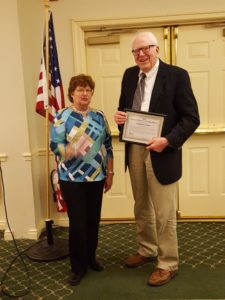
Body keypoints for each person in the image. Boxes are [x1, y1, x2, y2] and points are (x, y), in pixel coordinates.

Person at [114, 32, 200, 286]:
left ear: (157, 49)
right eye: (136, 51)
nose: (141, 54)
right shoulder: (130, 75)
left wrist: (167, 141)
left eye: (146, 49)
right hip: (135, 149)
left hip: (162, 151)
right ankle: (147, 249)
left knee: (164, 212)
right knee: (141, 205)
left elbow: (191, 118)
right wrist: (121, 120)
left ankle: (168, 263)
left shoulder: (177, 75)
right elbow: (124, 109)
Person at [50, 74, 114, 286]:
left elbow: (108, 145)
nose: (85, 93)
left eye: (88, 90)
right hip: (71, 179)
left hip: (96, 177)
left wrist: (110, 173)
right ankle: (77, 268)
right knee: (78, 223)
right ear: (71, 93)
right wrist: (68, 150)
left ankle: (90, 258)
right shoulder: (62, 116)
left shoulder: (99, 116)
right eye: (80, 90)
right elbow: (54, 146)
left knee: (93, 220)